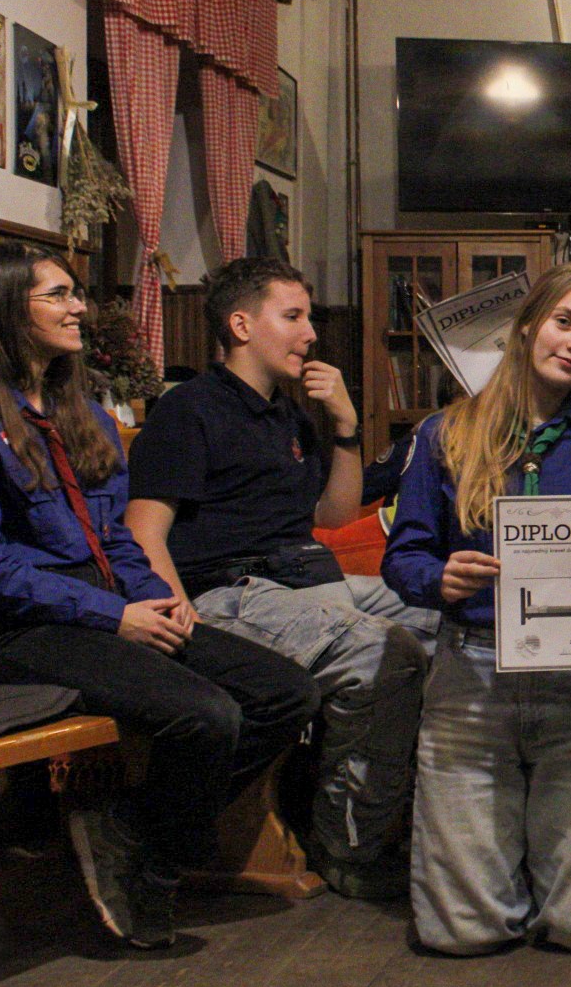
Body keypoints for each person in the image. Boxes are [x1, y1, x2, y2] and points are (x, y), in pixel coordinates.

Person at [0, 241, 317, 949]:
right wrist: (115, 615)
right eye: (59, 295)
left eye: (75, 293)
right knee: (205, 714)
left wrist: (156, 598)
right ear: (7, 307)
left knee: (285, 691)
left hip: (111, 609)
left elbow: (118, 536)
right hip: (24, 629)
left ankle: (129, 827)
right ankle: (154, 872)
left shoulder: (85, 414)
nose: (79, 307)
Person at [125, 258, 439, 900]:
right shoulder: (189, 409)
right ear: (241, 325)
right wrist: (180, 622)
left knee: (446, 615)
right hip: (230, 593)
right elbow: (143, 531)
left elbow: (334, 515)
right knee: (385, 652)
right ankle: (347, 844)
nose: (311, 333)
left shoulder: (288, 416)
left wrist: (345, 428)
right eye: (293, 316)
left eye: (309, 317)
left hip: (305, 579)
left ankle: (428, 817)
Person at [382, 262, 571, 955]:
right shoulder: (444, 434)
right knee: (461, 934)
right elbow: (403, 557)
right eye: (565, 322)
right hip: (473, 679)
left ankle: (551, 874)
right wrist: (440, 577)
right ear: (528, 324)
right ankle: (511, 871)